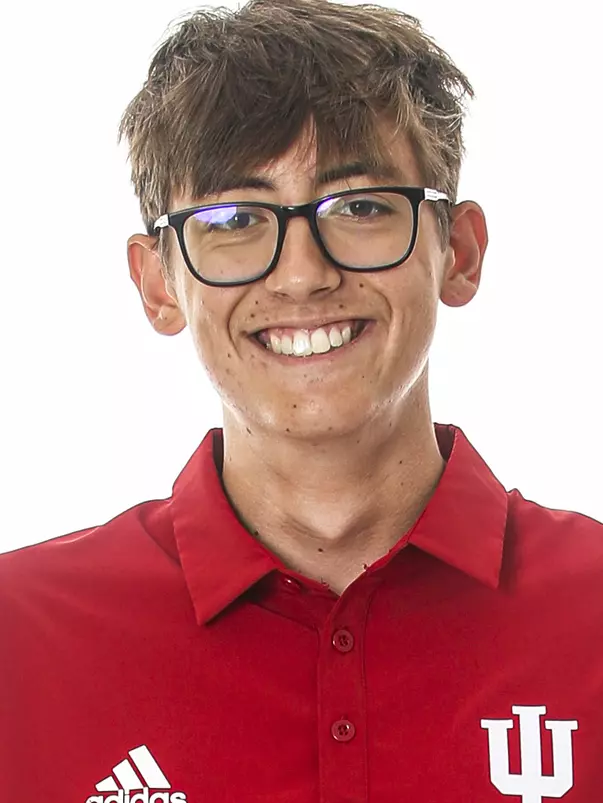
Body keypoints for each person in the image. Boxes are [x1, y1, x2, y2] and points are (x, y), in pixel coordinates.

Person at [1, 0, 602, 800]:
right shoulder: (21, 638)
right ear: (156, 283)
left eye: (359, 206)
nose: (301, 274)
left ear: (457, 253)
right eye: (234, 218)